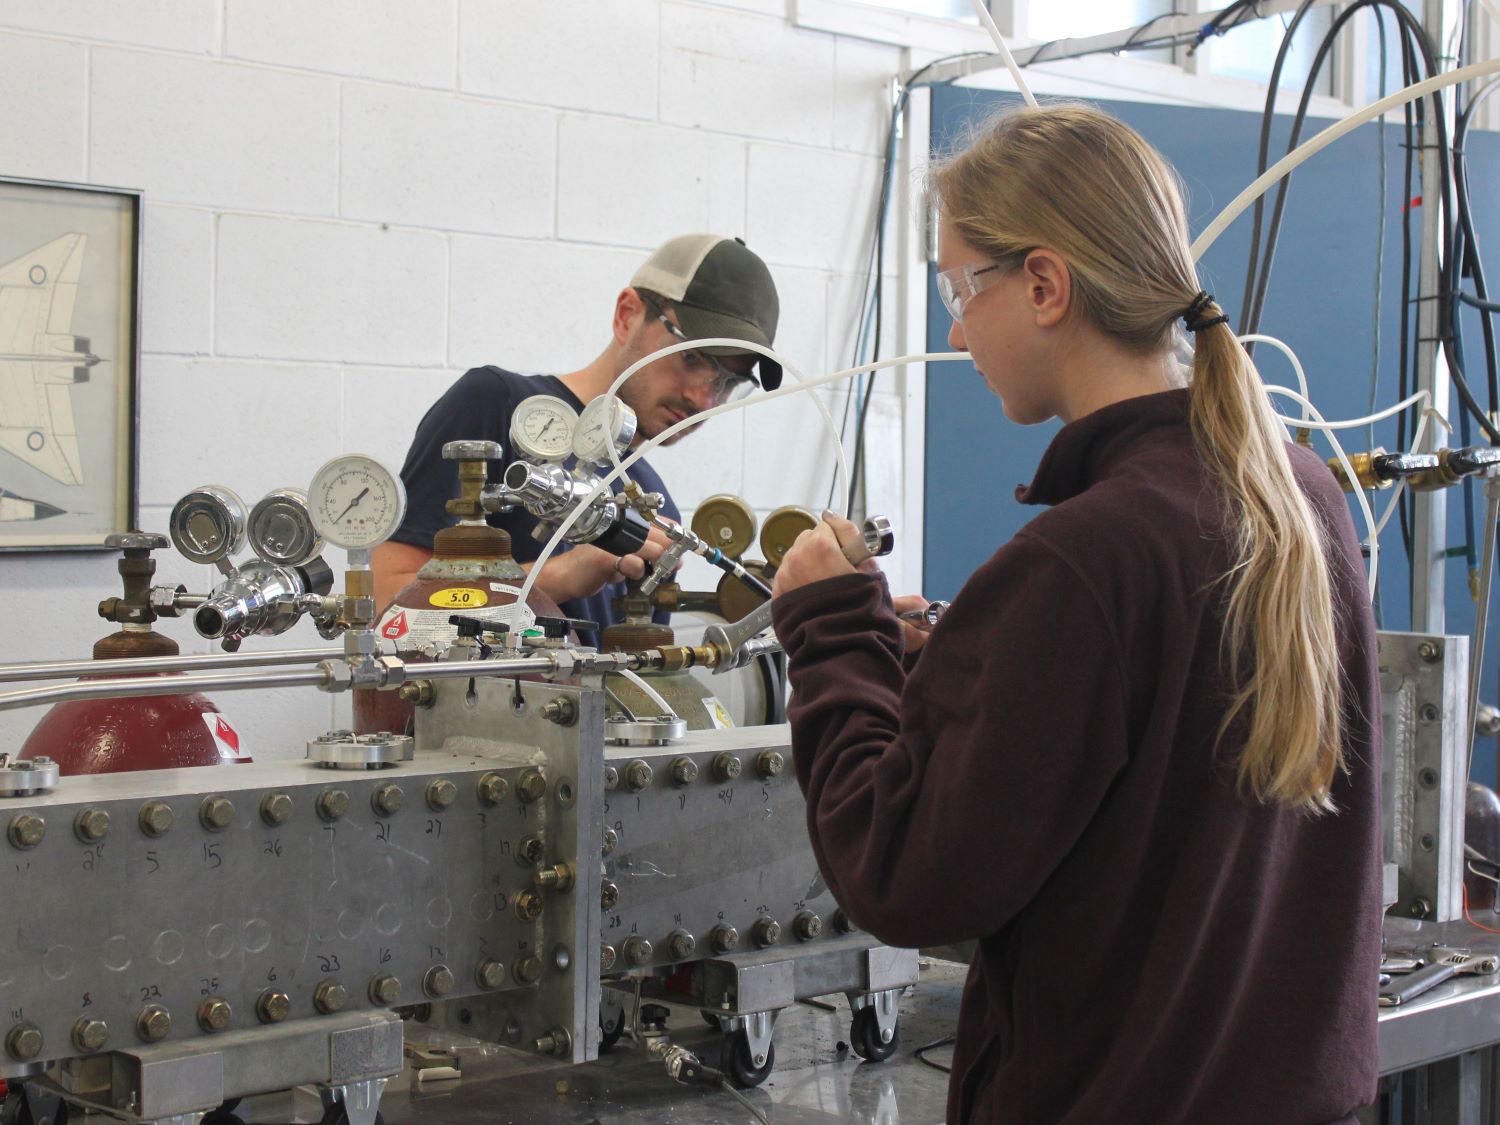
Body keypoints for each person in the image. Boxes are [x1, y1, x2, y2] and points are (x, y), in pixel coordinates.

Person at [771, 105, 1381, 1124]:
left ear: (1045, 284)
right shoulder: (1299, 491)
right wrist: (957, 660)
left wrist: (830, 629)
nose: (957, 329)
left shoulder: (1087, 555)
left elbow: (906, 878)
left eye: (960, 288)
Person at [374, 234, 782, 646]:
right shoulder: (496, 404)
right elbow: (387, 602)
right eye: (690, 357)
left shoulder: (656, 504)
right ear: (627, 316)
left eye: (728, 381)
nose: (703, 397)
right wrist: (558, 578)